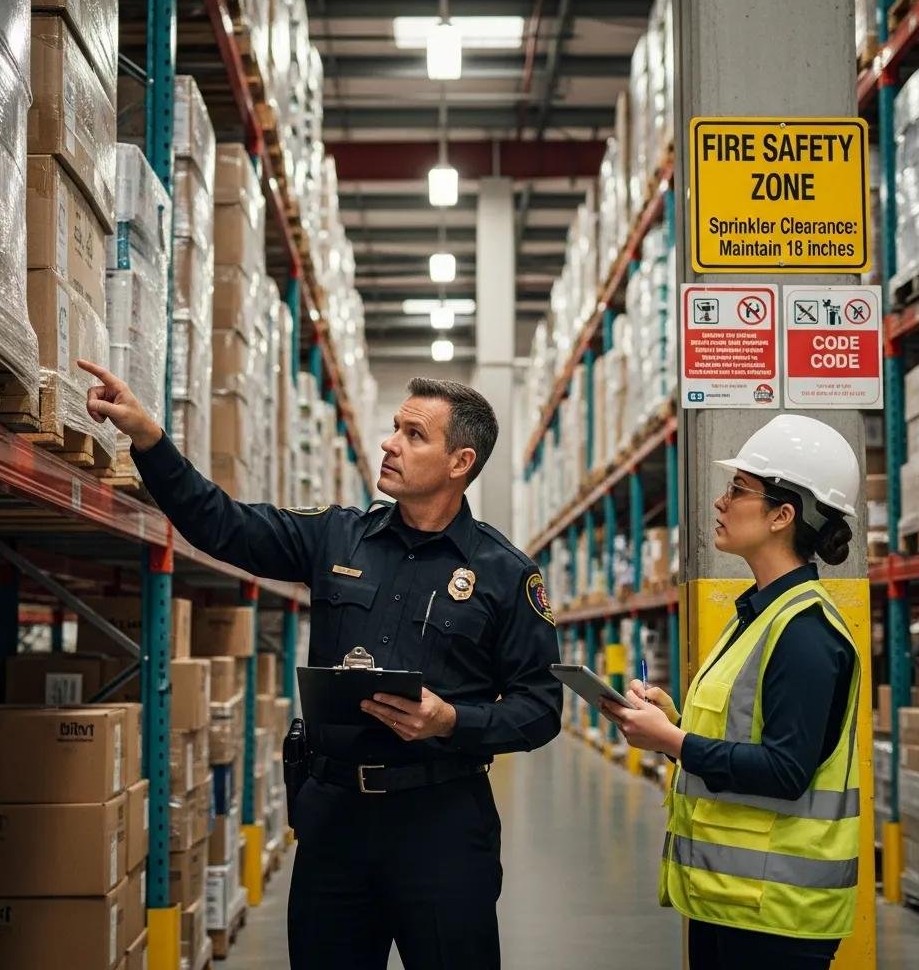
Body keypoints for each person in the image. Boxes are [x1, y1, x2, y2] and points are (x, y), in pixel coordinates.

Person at [77, 359, 563, 970]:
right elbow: (222, 525)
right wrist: (149, 440)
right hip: (335, 819)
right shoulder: (337, 537)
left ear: (460, 463)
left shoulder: (505, 573)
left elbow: (541, 708)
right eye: (394, 428)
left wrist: (452, 722)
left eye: (414, 436)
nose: (389, 444)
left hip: (440, 824)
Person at [601, 414, 862, 970]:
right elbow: (743, 731)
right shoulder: (755, 615)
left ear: (782, 515)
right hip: (733, 902)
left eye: (738, 490)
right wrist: (674, 719)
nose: (720, 503)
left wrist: (673, 743)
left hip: (778, 913)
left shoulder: (805, 633)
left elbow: (786, 772)